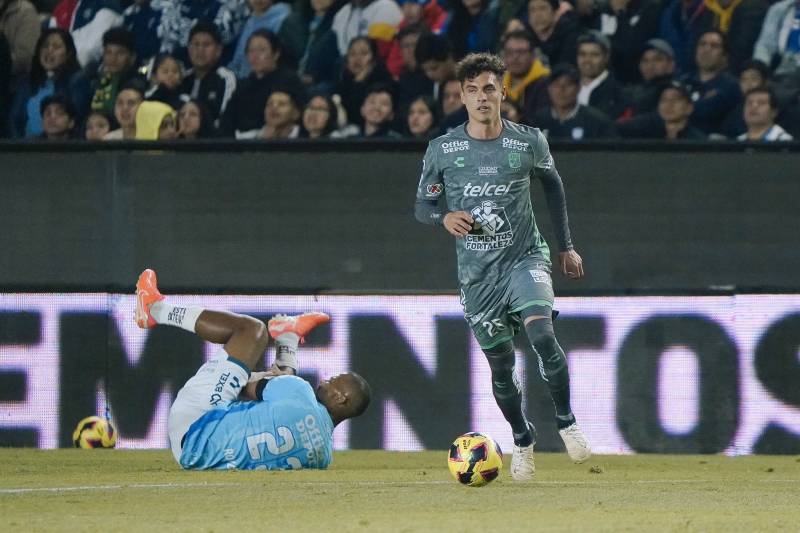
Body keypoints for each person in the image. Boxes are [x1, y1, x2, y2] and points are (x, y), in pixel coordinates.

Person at [413, 52, 591, 481]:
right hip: (478, 277)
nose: (481, 97)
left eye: (489, 88)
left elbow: (553, 185)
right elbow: (423, 205)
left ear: (502, 92)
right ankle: (522, 438)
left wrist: (565, 247)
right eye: (472, 90)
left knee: (542, 333)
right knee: (501, 368)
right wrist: (444, 217)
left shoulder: (528, 142)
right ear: (461, 97)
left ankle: (567, 423)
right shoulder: (443, 149)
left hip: (525, 258)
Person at [133, 269, 371, 470]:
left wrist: (273, 375)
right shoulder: (323, 457)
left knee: (253, 332)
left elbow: (244, 386)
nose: (325, 381)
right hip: (197, 459)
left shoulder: (301, 393)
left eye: (333, 381)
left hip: (195, 423)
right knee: (281, 391)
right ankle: (287, 334)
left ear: (340, 398)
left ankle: (155, 309)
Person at [531, 63, 617, 140]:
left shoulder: (597, 122)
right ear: (549, 89)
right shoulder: (538, 121)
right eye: (556, 85)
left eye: (568, 84)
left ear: (578, 88)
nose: (561, 90)